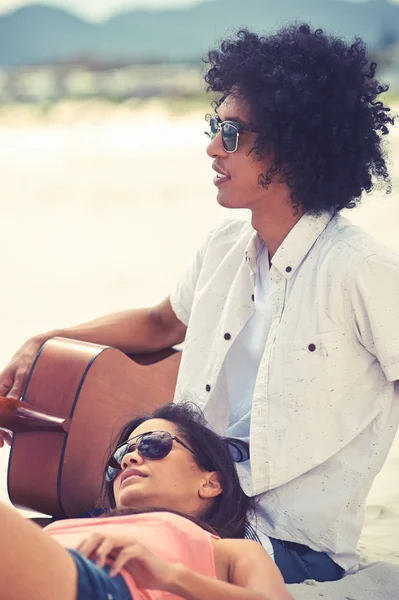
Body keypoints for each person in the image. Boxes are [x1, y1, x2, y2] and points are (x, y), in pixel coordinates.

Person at [0, 23, 397, 584]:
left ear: (296, 146)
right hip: (182, 509)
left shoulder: (362, 271)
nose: (212, 146)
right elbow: (161, 322)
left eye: (231, 133)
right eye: (215, 127)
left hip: (289, 542)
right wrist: (45, 342)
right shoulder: (224, 247)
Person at [0, 403, 292, 600]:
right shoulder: (64, 526)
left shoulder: (232, 551)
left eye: (153, 443)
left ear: (210, 482)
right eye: (118, 458)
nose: (127, 458)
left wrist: (171, 578)